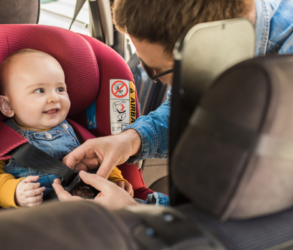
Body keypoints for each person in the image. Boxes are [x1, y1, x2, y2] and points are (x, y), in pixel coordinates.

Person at [54, 0, 293, 209]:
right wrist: (130, 140)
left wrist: (137, 213)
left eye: (156, 69)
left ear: (210, 46)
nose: (155, 77)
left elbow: (269, 221)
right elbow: (185, 107)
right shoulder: (217, 45)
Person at [0, 48, 133, 208]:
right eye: (39, 90)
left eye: (60, 89)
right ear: (7, 105)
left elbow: (101, 159)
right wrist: (15, 192)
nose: (54, 98)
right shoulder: (2, 141)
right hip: (44, 215)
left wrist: (115, 180)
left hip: (91, 206)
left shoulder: (77, 132)